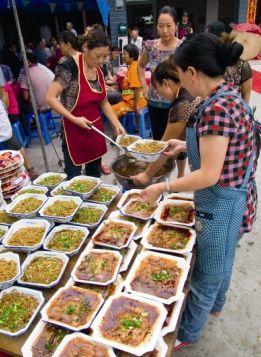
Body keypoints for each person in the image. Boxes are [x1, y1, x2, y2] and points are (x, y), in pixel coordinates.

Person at [140, 33, 257, 349]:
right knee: (225, 258)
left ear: (191, 72)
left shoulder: (214, 110)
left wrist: (162, 187)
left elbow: (208, 174)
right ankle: (217, 303)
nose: (179, 79)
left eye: (179, 72)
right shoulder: (228, 96)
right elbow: (220, 147)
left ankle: (188, 335)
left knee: (205, 275)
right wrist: (182, 144)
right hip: (237, 196)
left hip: (222, 203)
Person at [46, 26, 125, 179]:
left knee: (94, 175)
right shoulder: (68, 68)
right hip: (73, 131)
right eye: (98, 56)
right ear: (85, 48)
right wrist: (75, 119)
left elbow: (104, 102)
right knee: (74, 178)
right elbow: (50, 98)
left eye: (105, 56)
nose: (102, 61)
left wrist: (116, 124)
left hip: (95, 130)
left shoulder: (99, 70)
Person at [132, 57, 201, 183]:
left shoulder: (181, 105)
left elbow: (164, 146)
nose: (161, 96)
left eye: (158, 91)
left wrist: (147, 174)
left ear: (165, 83)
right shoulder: (191, 89)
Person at [138, 5, 180, 140]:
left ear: (176, 26)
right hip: (155, 103)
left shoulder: (183, 47)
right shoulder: (150, 46)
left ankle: (177, 162)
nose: (165, 30)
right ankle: (162, 162)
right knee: (158, 140)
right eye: (161, 26)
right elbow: (140, 67)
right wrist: (144, 87)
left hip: (178, 103)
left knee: (178, 142)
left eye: (169, 25)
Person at [206, 21, 253, 103]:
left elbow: (245, 97)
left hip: (233, 112)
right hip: (209, 111)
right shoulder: (206, 61)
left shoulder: (242, 66)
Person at [112, 44, 147, 122]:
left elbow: (136, 89)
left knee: (111, 112)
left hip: (133, 104)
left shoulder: (134, 69)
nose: (122, 56)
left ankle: (119, 133)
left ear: (132, 55)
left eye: (125, 53)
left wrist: (135, 109)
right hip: (130, 102)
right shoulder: (133, 66)